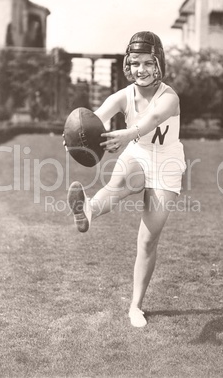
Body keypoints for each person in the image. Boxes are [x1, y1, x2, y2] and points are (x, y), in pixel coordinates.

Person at [66, 31, 186, 328]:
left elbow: (153, 120)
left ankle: (136, 306)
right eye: (135, 63)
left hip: (167, 162)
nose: (140, 70)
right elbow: (93, 120)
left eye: (148, 63)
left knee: (147, 240)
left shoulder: (169, 97)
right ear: (127, 66)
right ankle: (88, 211)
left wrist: (128, 133)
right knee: (118, 184)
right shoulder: (123, 96)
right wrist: (71, 138)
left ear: (159, 64)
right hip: (139, 154)